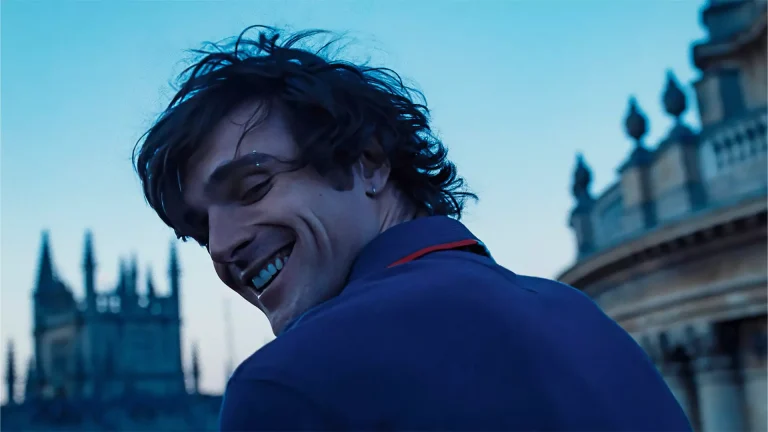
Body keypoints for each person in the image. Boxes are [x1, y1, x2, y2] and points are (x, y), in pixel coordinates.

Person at [133, 26, 692, 432]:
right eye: (202, 230)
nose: (223, 244)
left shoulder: (289, 385)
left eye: (254, 186)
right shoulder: (590, 327)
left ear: (369, 162)